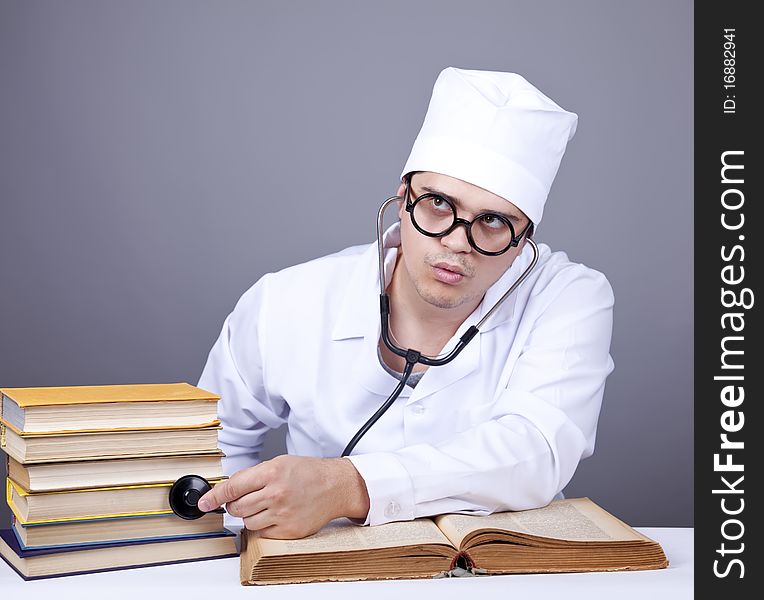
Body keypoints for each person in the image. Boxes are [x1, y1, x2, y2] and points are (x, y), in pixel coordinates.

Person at [196, 67, 615, 539]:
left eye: (494, 220)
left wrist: (347, 486)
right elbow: (208, 447)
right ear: (402, 199)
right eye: (438, 203)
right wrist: (243, 530)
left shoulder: (569, 296)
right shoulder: (285, 301)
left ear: (524, 240)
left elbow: (539, 449)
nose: (459, 242)